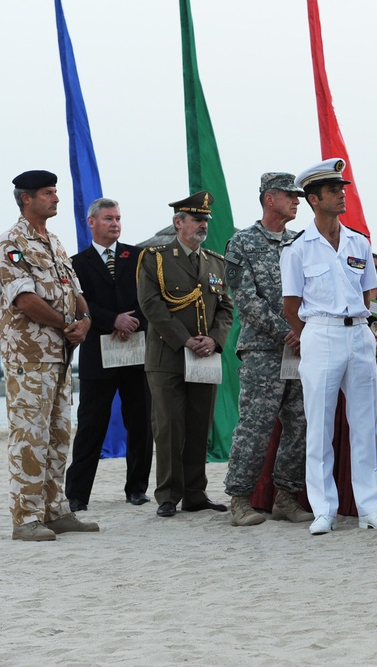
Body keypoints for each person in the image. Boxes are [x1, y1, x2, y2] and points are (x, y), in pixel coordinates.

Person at [280, 158, 377, 535]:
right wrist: (310, 332)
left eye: (341, 188)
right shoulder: (298, 249)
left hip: (359, 332)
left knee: (364, 424)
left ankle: (369, 508)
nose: (341, 195)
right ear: (313, 198)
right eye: (333, 190)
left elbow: (370, 290)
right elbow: (291, 306)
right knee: (319, 424)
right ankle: (323, 510)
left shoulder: (358, 242)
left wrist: (360, 321)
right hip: (321, 333)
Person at [0, 170, 98, 541]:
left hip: (60, 355)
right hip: (30, 355)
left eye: (56, 192)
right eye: (48, 193)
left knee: (58, 434)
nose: (55, 198)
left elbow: (76, 291)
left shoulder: (54, 242)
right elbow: (24, 300)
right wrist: (66, 323)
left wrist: (84, 320)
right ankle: (25, 518)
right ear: (27, 198)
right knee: (29, 435)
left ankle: (55, 511)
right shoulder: (11, 242)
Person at [137, 190, 234, 518]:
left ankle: (195, 492)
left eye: (205, 220)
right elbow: (151, 305)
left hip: (205, 357)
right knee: (168, 427)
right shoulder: (155, 258)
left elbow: (226, 308)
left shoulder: (215, 263)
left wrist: (214, 340)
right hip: (168, 357)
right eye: (196, 219)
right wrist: (186, 340)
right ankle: (167, 495)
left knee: (198, 426)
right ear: (178, 222)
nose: (202, 225)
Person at [222, 173, 312, 527]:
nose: (297, 201)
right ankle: (240, 499)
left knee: (300, 423)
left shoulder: (301, 242)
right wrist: (287, 331)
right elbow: (244, 299)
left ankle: (286, 498)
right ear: (270, 198)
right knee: (255, 426)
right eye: (290, 195)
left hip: (299, 348)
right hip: (263, 349)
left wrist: (303, 332)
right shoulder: (242, 243)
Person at [66, 198, 152, 511]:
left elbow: (152, 297)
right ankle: (77, 495)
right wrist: (112, 320)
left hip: (137, 352)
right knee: (91, 425)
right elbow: (79, 302)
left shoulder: (139, 256)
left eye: (117, 218)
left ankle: (137, 489)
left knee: (141, 423)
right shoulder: (76, 263)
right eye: (108, 219)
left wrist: (134, 320)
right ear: (91, 223)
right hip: (98, 356)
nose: (114, 223)